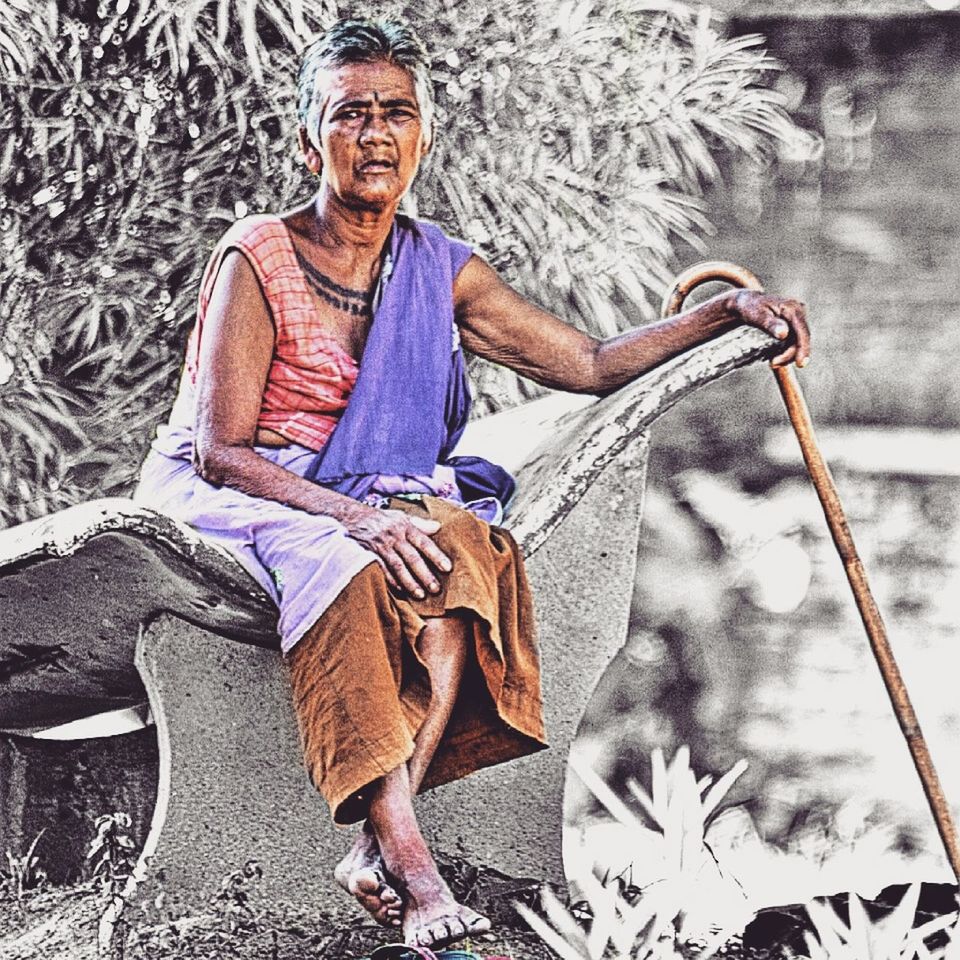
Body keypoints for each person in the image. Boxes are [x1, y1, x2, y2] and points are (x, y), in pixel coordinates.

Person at [135, 16, 810, 951]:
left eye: (396, 114)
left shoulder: (437, 269)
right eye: (349, 115)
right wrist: (357, 518)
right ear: (308, 140)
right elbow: (219, 451)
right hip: (244, 496)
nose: (375, 135)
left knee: (465, 553)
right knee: (354, 560)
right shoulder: (261, 255)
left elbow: (588, 361)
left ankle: (375, 847)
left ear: (423, 135)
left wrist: (725, 315)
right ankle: (413, 869)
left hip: (363, 496)